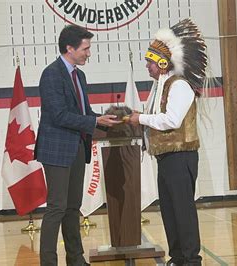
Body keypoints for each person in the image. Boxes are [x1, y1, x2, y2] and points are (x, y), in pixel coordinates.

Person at [35, 25, 121, 266]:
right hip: (56, 151)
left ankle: (76, 259)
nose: (88, 53)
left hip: (76, 148)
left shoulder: (79, 75)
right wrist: (94, 120)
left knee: (73, 207)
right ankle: (48, 262)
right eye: (85, 48)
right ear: (69, 48)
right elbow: (59, 115)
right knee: (57, 207)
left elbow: (83, 113)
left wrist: (105, 121)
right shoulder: (51, 74)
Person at [127, 19, 207, 266]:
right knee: (170, 211)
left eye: (150, 62)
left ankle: (191, 259)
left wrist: (141, 118)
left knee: (183, 210)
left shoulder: (179, 85)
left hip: (180, 157)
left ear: (162, 63)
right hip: (167, 157)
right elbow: (159, 118)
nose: (147, 67)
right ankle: (178, 256)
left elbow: (171, 119)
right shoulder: (160, 87)